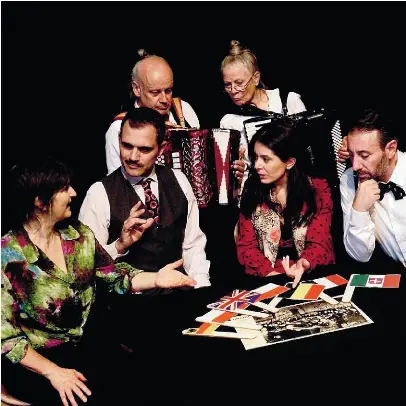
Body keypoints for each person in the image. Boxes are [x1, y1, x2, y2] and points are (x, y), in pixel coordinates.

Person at [1, 157, 196, 406]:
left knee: (154, 383)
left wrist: (156, 279)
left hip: (88, 348)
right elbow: (6, 338)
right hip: (40, 362)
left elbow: (113, 275)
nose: (73, 193)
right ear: (40, 202)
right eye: (64, 189)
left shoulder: (79, 235)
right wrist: (54, 373)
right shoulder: (8, 254)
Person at [80, 106, 211, 291]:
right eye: (127, 146)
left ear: (161, 148)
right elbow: (86, 266)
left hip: (179, 295)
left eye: (144, 149)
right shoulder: (99, 194)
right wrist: (119, 245)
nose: (133, 157)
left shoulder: (179, 180)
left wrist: (201, 286)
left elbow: (193, 245)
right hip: (129, 301)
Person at [236, 118, 335, 287]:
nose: (257, 165)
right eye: (255, 157)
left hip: (310, 273)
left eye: (266, 159)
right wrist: (271, 275)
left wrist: (303, 263)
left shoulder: (318, 189)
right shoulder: (252, 190)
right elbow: (246, 246)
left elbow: (320, 241)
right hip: (265, 277)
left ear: (289, 162)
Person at [219, 40, 307, 187]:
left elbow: (308, 149)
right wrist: (239, 173)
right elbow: (238, 175)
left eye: (239, 83)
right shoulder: (229, 121)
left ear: (256, 78)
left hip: (297, 187)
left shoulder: (288, 101)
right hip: (257, 192)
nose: (233, 90)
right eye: (228, 84)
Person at [105, 49, 200, 174]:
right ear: (136, 89)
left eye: (168, 91)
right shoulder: (118, 128)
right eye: (155, 92)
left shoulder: (183, 110)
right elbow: (117, 181)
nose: (164, 100)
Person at [339, 107, 406, 265]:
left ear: (390, 149)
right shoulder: (349, 180)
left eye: (364, 155)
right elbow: (360, 255)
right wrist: (359, 210)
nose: (355, 166)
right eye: (351, 155)